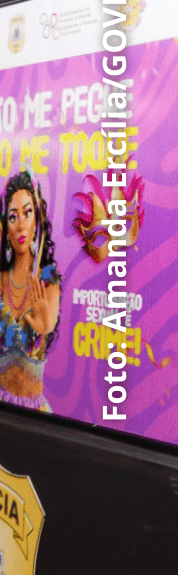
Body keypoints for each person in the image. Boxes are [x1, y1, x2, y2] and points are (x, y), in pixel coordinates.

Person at [0, 170, 63, 412]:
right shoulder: (1, 279)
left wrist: (46, 327)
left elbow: (49, 321)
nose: (21, 225)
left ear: (37, 219)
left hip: (33, 415)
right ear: (6, 226)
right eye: (13, 217)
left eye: (27, 213)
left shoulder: (47, 281)